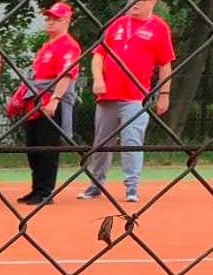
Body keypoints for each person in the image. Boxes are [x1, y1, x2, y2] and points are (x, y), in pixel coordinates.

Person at [81, 0, 174, 203]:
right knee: (101, 143)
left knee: (131, 141)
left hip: (136, 96)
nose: (134, 3)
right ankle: (95, 185)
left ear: (152, 2)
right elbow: (98, 55)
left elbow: (165, 64)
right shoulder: (117, 23)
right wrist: (98, 79)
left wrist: (164, 94)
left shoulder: (159, 27)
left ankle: (131, 187)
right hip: (107, 95)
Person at [20, 3, 82, 205]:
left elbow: (66, 75)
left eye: (56, 19)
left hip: (51, 100)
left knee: (47, 147)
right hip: (35, 101)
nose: (50, 22)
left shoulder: (69, 45)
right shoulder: (47, 46)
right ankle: (36, 188)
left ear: (67, 21)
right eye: (48, 18)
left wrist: (55, 99)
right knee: (33, 147)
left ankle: (45, 191)